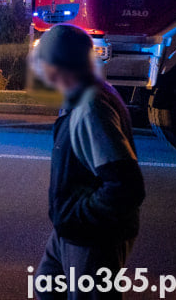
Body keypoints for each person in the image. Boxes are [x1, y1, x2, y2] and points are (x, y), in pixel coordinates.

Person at [33, 24, 145, 300]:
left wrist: (79, 217)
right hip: (70, 231)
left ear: (57, 64)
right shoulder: (80, 98)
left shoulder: (90, 108)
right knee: (47, 287)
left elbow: (125, 187)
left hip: (93, 238)